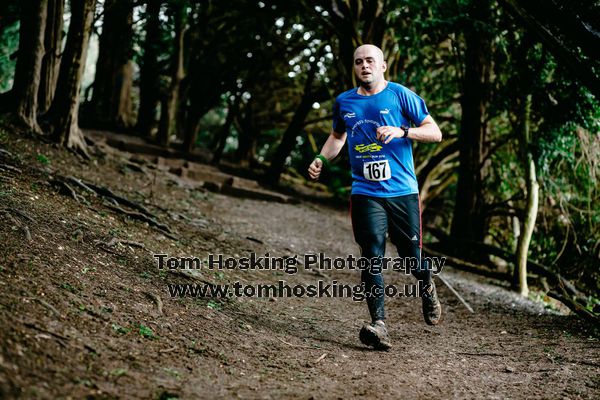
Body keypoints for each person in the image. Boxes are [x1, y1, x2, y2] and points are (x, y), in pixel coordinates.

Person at [308, 44, 443, 351]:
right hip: (365, 192)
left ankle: (426, 283)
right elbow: (337, 136)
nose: (364, 66)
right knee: (371, 254)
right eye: (359, 62)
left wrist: (403, 132)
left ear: (383, 66)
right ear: (354, 67)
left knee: (411, 256)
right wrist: (322, 159)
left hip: (402, 192)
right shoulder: (345, 101)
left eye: (370, 61)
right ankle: (379, 325)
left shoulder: (400, 95)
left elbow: (435, 132)